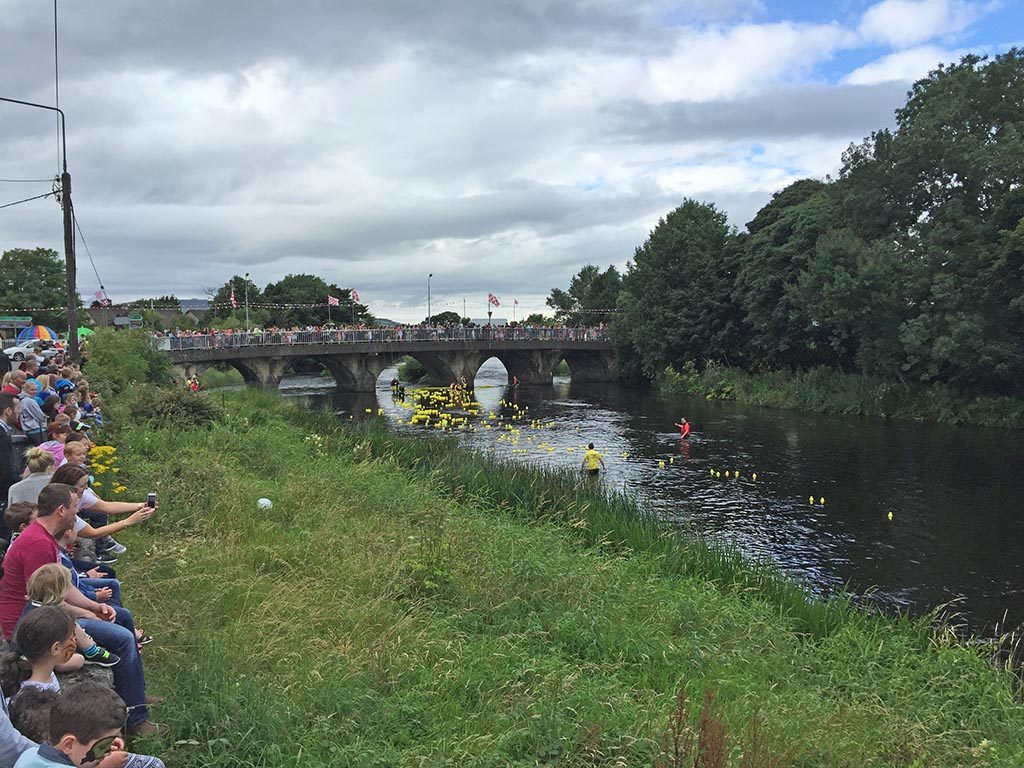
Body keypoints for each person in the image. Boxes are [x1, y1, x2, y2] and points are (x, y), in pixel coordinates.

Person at [0, 484, 161, 736]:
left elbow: (61, 587)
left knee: (124, 617)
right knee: (123, 639)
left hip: (45, 614)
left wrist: (95, 605)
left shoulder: (43, 536)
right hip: (31, 626)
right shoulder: (37, 544)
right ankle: (136, 720)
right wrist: (88, 613)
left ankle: (133, 692)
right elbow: (48, 598)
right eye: (75, 507)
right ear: (61, 510)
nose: (78, 513)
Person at [0, 606, 77, 698]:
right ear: (56, 648)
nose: (75, 641)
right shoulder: (35, 696)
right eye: (72, 637)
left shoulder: (43, 673)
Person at [0, 394, 23, 543]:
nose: (19, 413)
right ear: (8, 410)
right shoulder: (1, 434)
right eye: (18, 409)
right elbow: (5, 465)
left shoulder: (5, 430)